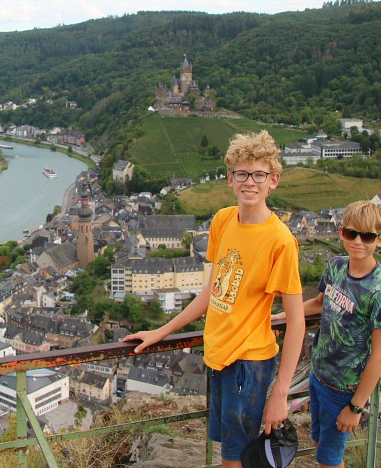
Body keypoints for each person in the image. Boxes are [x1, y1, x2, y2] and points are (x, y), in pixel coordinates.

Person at [123, 130, 304, 468]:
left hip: (248, 363)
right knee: (231, 454)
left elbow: (297, 321)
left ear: (273, 181)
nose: (250, 182)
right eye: (242, 173)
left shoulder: (281, 241)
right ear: (230, 178)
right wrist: (160, 332)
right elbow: (211, 294)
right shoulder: (222, 220)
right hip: (218, 356)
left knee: (237, 460)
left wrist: (280, 393)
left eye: (259, 174)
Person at [273, 200, 381, 468]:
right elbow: (318, 303)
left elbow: (380, 354)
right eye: (351, 234)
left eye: (367, 236)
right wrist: (283, 315)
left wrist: (355, 407)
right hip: (318, 376)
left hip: (344, 389)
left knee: (329, 460)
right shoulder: (337, 266)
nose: (358, 242)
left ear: (380, 240)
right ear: (341, 233)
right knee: (320, 446)